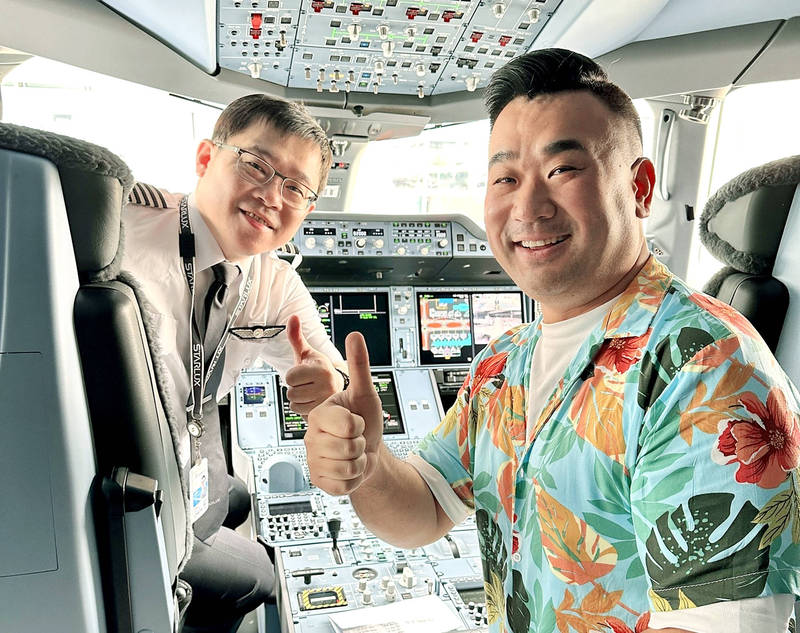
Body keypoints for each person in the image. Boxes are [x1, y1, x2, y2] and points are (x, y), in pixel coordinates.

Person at [304, 49, 800, 633]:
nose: (528, 206)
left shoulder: (705, 366)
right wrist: (368, 460)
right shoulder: (502, 362)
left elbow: (727, 624)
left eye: (562, 170)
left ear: (640, 188)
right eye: (505, 178)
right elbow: (426, 507)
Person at [122, 94, 347, 633]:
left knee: (240, 500)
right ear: (205, 159)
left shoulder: (274, 282)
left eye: (295, 188)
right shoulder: (119, 233)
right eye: (257, 165)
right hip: (125, 463)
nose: (272, 196)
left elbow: (328, 365)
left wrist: (327, 383)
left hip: (188, 451)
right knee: (258, 575)